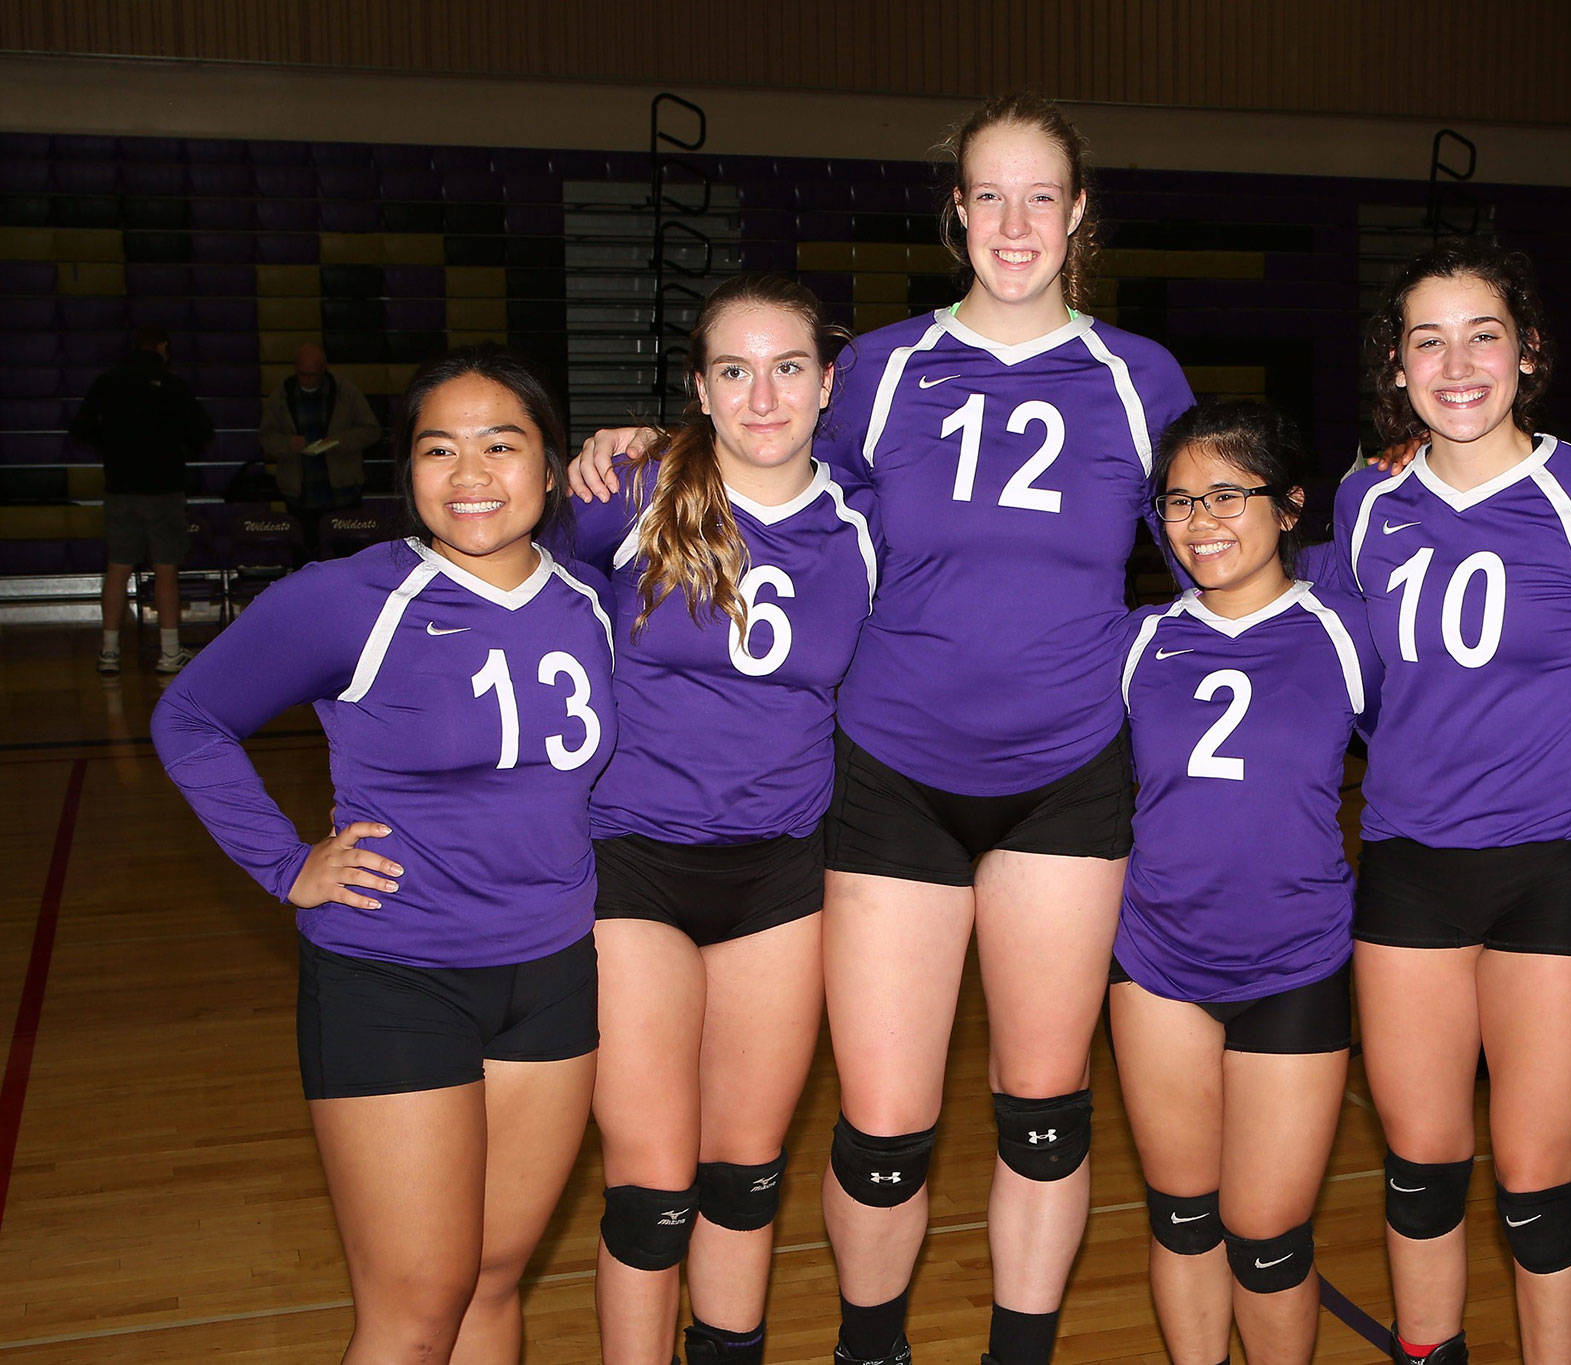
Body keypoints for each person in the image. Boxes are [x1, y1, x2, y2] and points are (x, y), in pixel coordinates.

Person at [571, 93, 1195, 1365]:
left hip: (1067, 779)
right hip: (893, 780)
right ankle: (874, 1348)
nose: (1012, 223)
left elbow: (1217, 550)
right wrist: (650, 442)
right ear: (953, 212)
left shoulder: (1141, 381)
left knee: (1045, 1115)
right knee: (884, 1126)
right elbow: (763, 453)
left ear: (1076, 215)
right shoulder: (884, 370)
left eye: (1039, 197)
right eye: (987, 195)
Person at [153, 346, 615, 1364]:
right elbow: (190, 717)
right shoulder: (349, 598)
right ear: (406, 473)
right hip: (393, 979)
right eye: (437, 449)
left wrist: (649, 444)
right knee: (413, 1316)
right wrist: (286, 863)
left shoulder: (588, 599)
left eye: (501, 446)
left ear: (550, 469)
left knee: (493, 1284)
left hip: (552, 977)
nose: (469, 475)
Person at [1329, 238, 1571, 1365]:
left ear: (1525, 352)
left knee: (1534, 1189)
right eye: (1428, 339)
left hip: (1553, 870)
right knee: (1419, 1178)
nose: (1455, 363)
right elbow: (1324, 654)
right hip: (1410, 865)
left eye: (1482, 335)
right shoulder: (1362, 503)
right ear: (1396, 362)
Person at [564, 275, 875, 1365]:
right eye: (733, 371)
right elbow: (493, 592)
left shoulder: (863, 520)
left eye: (787, 367)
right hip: (630, 865)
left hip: (779, 874)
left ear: (826, 383)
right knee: (652, 1188)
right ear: (698, 388)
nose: (761, 396)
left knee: (743, 1174)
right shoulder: (631, 492)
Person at [1113, 402, 1379, 1364]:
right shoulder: (1139, 644)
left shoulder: (1345, 636)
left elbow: (1450, 737)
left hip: (1297, 967)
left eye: (1228, 494)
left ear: (1290, 507)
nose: (1201, 520)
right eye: (1180, 501)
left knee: (1267, 1242)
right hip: (1157, 968)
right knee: (1185, 1219)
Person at [69, 325, 214, 674]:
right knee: (165, 570)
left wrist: (113, 441)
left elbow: (80, 430)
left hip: (121, 489)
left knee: (117, 569)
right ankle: (168, 651)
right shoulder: (173, 386)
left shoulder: (108, 383)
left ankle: (109, 651)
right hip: (164, 488)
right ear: (163, 347)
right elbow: (201, 435)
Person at [260, 342, 383, 558]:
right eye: (302, 374)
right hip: (299, 492)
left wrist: (338, 441)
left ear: (324, 370)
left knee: (346, 556)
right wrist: (289, 444)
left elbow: (372, 430)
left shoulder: (345, 392)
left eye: (313, 374)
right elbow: (266, 439)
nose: (307, 379)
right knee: (304, 556)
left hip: (343, 491)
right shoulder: (281, 396)